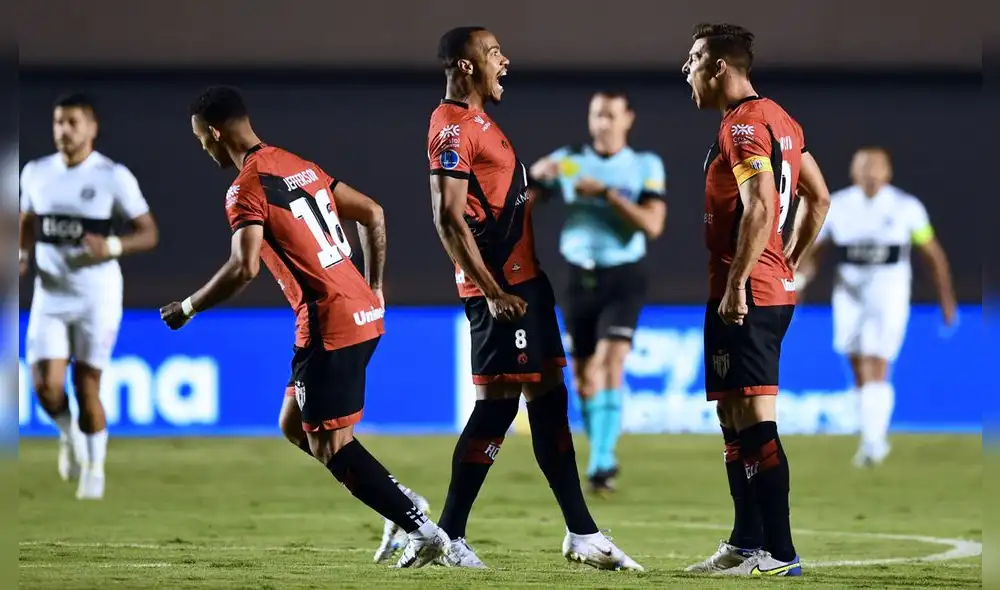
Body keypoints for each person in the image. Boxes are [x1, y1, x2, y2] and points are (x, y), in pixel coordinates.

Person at [160, 86, 447, 568]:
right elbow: (373, 212)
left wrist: (187, 308)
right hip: (359, 311)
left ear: (213, 132)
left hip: (327, 321)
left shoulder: (245, 187)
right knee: (294, 424)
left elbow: (243, 268)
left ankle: (423, 530)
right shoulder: (298, 165)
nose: (203, 149)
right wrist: (375, 287)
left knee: (329, 442)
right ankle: (405, 505)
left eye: (200, 139)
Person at [426, 26, 643, 571]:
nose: (506, 60)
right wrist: (494, 290)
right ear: (466, 64)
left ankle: (581, 531)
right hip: (504, 290)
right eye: (495, 52)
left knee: (549, 401)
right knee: (497, 410)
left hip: (527, 285)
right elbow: (447, 218)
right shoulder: (451, 125)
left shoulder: (480, 123)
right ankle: (447, 533)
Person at [680, 23, 831, 576]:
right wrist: (789, 257)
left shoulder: (744, 125)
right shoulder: (780, 119)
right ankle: (746, 542)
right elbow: (818, 196)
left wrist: (745, 278)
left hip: (747, 292)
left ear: (720, 66)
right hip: (754, 285)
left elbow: (761, 204)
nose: (686, 68)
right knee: (731, 411)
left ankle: (781, 554)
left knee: (755, 414)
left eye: (694, 58)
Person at [19, 93, 159, 500]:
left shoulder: (112, 176)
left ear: (92, 128)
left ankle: (94, 473)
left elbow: (148, 232)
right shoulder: (36, 173)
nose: (64, 129)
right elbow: (27, 220)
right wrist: (22, 253)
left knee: (86, 386)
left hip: (96, 295)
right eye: (58, 122)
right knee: (45, 387)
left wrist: (113, 247)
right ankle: (69, 435)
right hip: (50, 293)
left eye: (73, 122)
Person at [529, 91, 667, 494]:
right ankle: (600, 454)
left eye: (610, 115)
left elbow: (653, 225)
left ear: (628, 119)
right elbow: (528, 197)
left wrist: (606, 195)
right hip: (576, 277)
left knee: (611, 362)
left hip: (623, 276)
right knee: (585, 377)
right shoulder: (571, 160)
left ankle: (601, 462)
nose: (602, 123)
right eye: (596, 115)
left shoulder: (644, 165)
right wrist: (533, 176)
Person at [795, 146, 957, 467]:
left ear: (888, 172)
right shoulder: (838, 205)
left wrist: (946, 298)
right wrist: (800, 282)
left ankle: (872, 443)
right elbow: (814, 250)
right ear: (853, 172)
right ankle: (872, 436)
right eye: (863, 167)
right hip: (849, 295)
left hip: (889, 294)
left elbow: (931, 254)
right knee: (857, 365)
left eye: (876, 167)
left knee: (876, 362)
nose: (870, 174)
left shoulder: (906, 208)